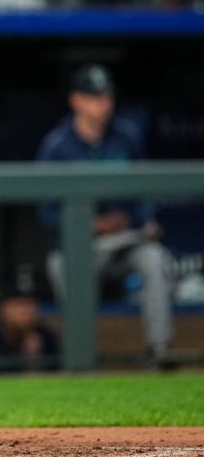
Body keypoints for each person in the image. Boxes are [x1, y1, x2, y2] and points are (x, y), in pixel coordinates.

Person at [37, 64, 176, 369]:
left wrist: (143, 221)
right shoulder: (57, 146)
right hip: (80, 246)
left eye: (106, 96)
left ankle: (159, 350)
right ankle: (80, 357)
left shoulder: (126, 136)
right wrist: (90, 225)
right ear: (76, 100)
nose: (103, 103)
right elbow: (45, 212)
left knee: (154, 258)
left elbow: (145, 190)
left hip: (126, 241)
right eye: (94, 96)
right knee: (59, 266)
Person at [0, 285, 58, 373]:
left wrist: (34, 361)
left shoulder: (45, 336)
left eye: (32, 304)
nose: (26, 311)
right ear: (3, 308)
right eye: (19, 304)